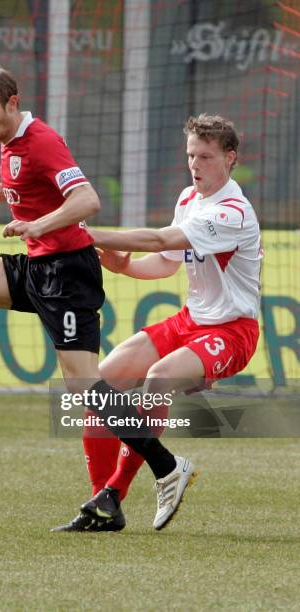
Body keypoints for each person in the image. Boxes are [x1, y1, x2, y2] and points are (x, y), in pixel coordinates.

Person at [0, 66, 201, 531]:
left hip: (69, 275)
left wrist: (38, 226)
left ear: (11, 103)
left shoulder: (41, 139)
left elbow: (87, 201)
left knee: (84, 387)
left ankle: (168, 467)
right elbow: (24, 185)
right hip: (38, 266)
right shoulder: (10, 144)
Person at [53, 113, 262, 532]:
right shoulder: (189, 199)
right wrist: (124, 266)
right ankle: (104, 505)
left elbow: (162, 239)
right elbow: (166, 261)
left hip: (232, 331)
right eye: (190, 155)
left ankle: (122, 488)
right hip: (190, 320)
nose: (195, 165)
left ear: (230, 158)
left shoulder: (233, 212)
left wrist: (90, 236)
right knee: (100, 384)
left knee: (160, 375)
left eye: (205, 156)